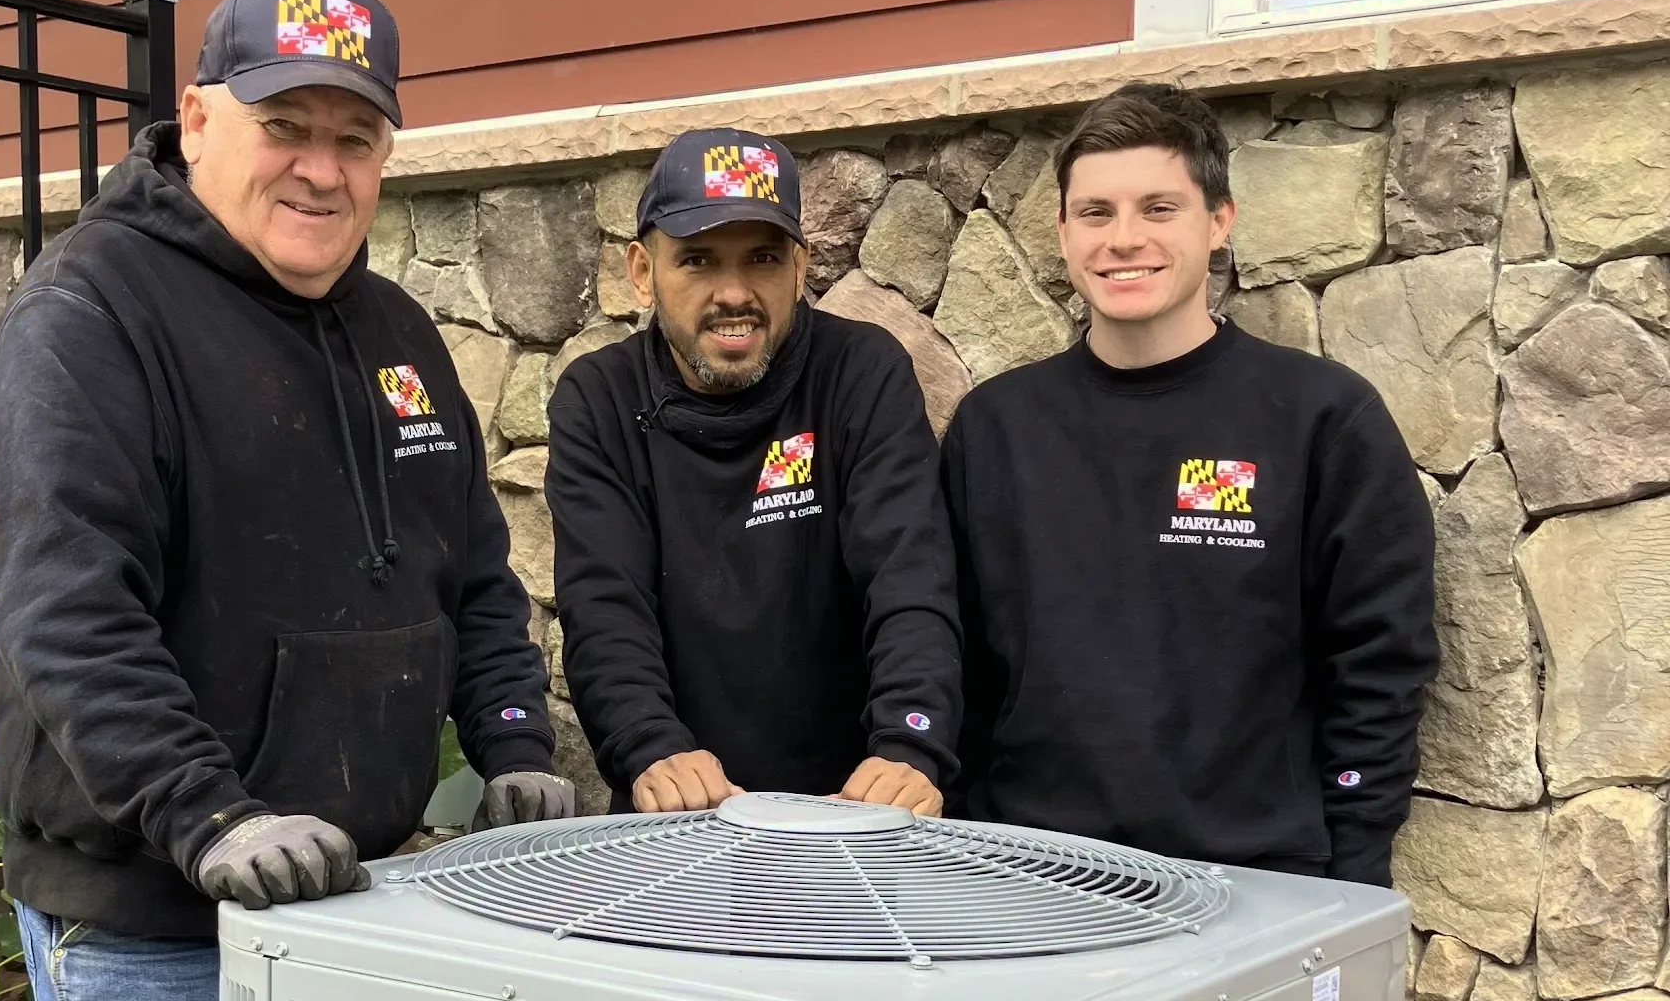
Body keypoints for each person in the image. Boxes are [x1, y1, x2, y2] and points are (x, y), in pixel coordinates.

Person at [0, 0, 574, 1001]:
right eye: (284, 125)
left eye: (354, 136)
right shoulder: (91, 314)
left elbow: (471, 574)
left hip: (351, 918)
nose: (322, 166)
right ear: (195, 120)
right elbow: (70, 613)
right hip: (156, 930)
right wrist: (207, 811)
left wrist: (514, 733)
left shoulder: (394, 332)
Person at [939, 82, 1437, 883]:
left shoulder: (1318, 417)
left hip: (1258, 877)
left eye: (1159, 209)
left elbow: (1379, 659)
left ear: (1219, 221)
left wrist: (1353, 862)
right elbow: (954, 651)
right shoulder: (995, 427)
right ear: (1062, 232)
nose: (1123, 239)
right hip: (1032, 871)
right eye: (1095, 213)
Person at [545, 129, 962, 816]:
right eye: (698, 260)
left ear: (798, 267)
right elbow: (603, 605)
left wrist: (910, 743)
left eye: (762, 258)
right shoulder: (598, 400)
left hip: (857, 808)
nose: (733, 293)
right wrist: (649, 745)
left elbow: (909, 577)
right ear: (643, 272)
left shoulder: (862, 373)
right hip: (679, 810)